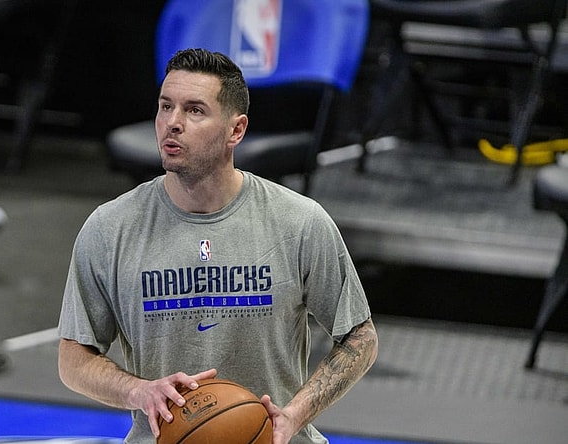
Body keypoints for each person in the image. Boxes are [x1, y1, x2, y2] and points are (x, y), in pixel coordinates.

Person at [57, 48, 378, 444]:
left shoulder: (300, 222)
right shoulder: (109, 228)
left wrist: (294, 415)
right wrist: (138, 391)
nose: (172, 123)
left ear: (235, 130)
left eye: (194, 110)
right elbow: (73, 358)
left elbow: (360, 338)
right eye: (165, 106)